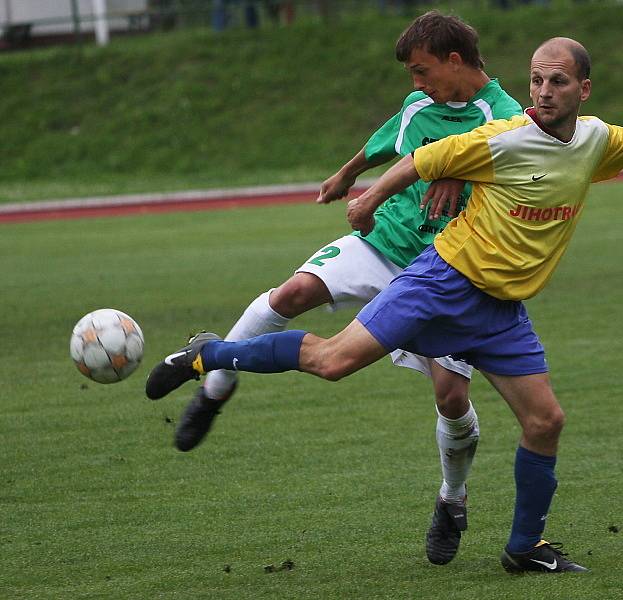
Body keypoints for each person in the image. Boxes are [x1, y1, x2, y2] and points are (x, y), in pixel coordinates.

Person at [146, 37, 623, 573]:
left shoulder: (595, 140)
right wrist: (365, 200)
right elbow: (421, 159)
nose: (544, 90)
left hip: (500, 312)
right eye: (537, 79)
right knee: (332, 362)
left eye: (558, 80)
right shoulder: (504, 138)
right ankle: (208, 357)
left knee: (544, 422)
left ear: (583, 87)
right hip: (442, 282)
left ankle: (524, 548)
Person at [155, 11, 522, 567]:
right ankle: (214, 388)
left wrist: (458, 170)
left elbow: (514, 174)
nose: (416, 84)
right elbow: (385, 143)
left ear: (455, 61)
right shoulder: (419, 106)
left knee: (452, 396)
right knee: (290, 294)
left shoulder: (509, 118)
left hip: (446, 272)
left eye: (422, 71)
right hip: (385, 241)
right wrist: (348, 174)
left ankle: (452, 498)